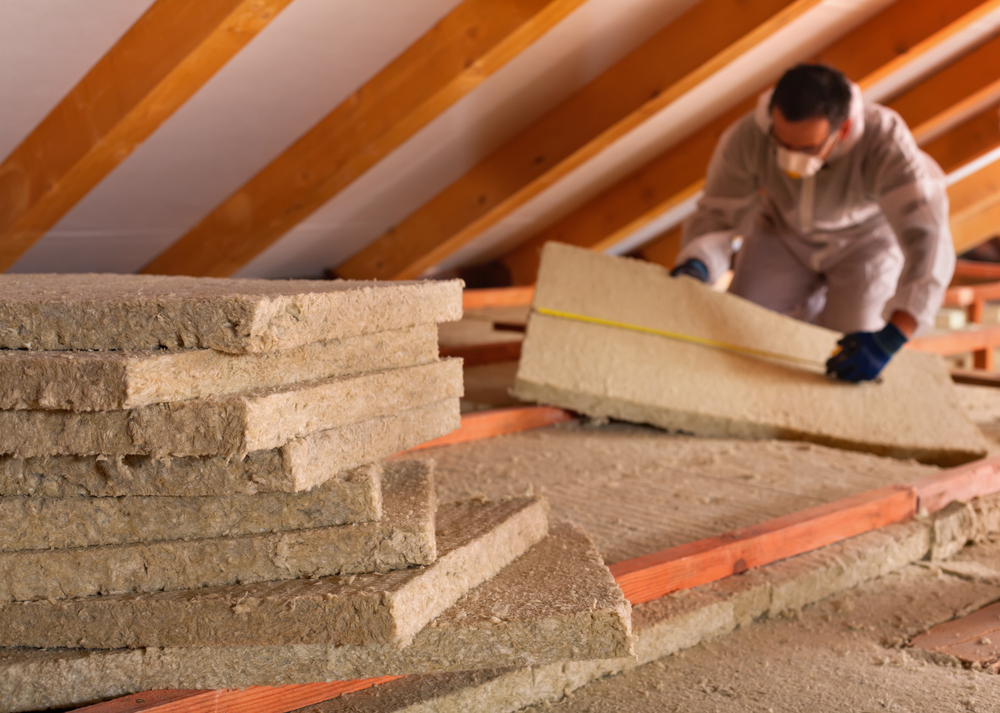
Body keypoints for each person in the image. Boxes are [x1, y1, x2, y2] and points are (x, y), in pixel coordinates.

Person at [671, 64, 954, 382]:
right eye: (782, 144)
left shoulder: (886, 143)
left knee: (847, 346)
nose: (791, 158)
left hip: (865, 243)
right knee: (740, 328)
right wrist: (697, 264)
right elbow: (718, 213)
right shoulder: (748, 135)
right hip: (782, 232)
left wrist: (893, 336)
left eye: (807, 148)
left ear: (843, 130)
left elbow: (929, 240)